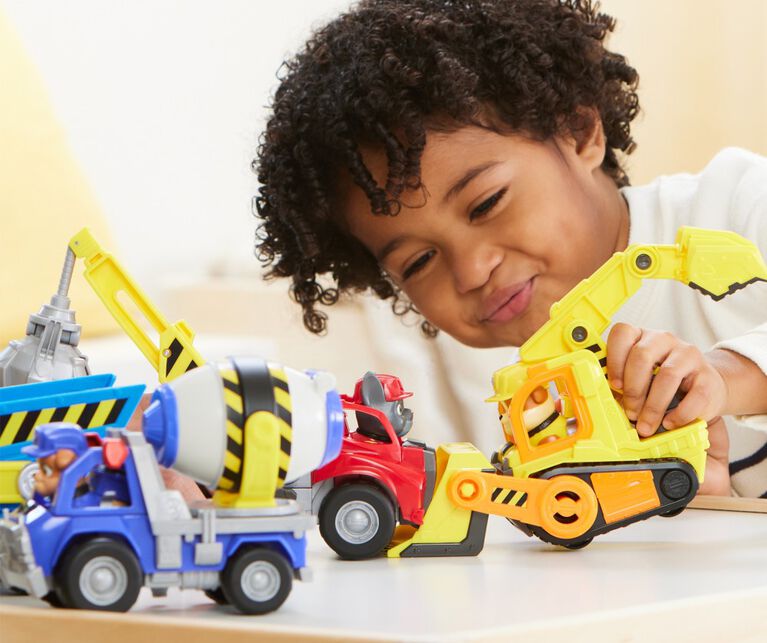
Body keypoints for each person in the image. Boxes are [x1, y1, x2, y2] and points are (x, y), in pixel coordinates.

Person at [252, 0, 767, 497]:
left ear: (579, 131)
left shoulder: (737, 204)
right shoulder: (511, 398)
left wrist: (721, 378)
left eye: (486, 204)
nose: (473, 270)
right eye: (419, 261)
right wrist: (700, 505)